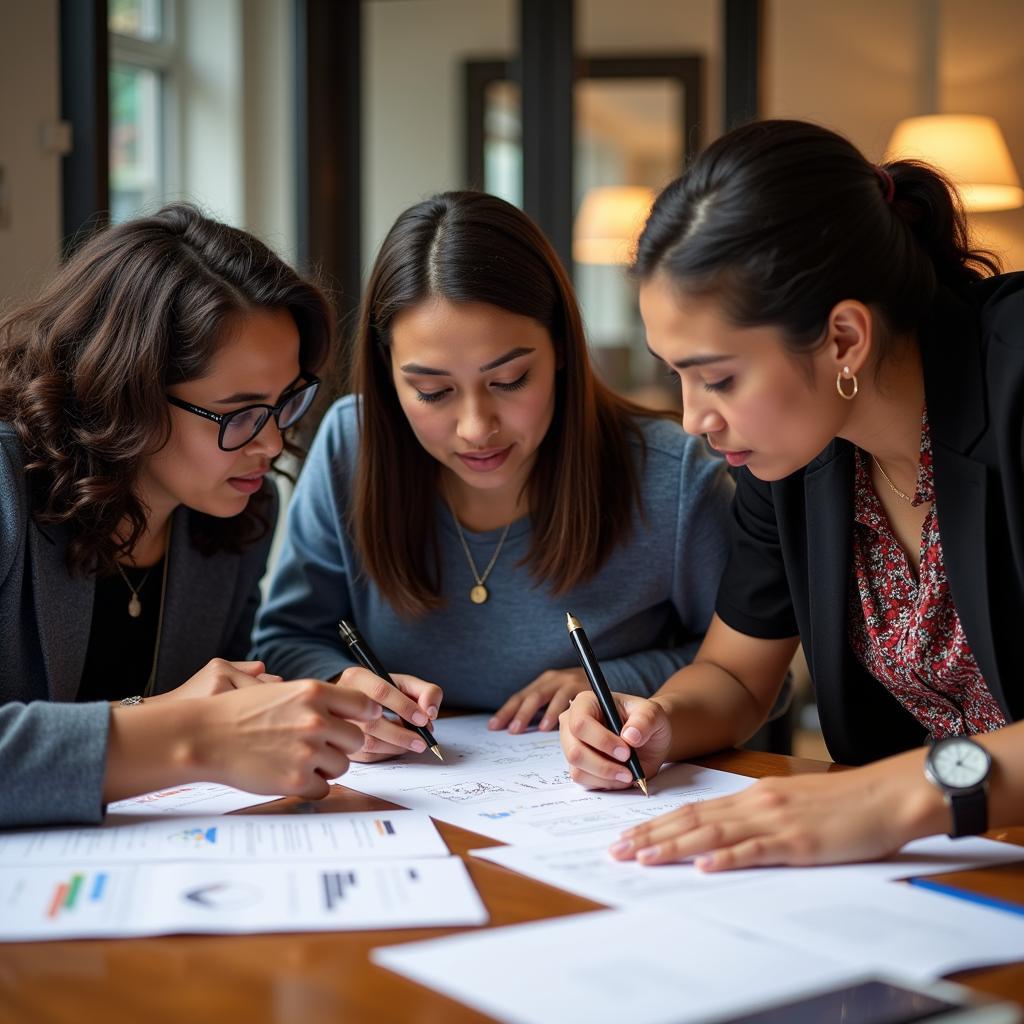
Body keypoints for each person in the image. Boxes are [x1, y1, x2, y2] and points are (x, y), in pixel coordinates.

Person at [560, 119, 1024, 870]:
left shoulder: (1016, 377)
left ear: (844, 338)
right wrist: (656, 725)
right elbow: (737, 674)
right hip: (960, 873)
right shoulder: (794, 452)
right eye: (677, 374)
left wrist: (885, 799)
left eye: (719, 378)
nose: (693, 418)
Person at [253, 191, 733, 760]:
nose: (476, 429)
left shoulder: (673, 476)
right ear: (388, 375)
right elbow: (284, 642)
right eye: (432, 392)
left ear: (559, 348)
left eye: (509, 381)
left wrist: (612, 679)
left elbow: (748, 673)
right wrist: (345, 688)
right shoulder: (350, 447)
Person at [0, 204, 380, 828]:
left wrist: (327, 700)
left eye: (285, 402)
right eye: (239, 411)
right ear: (127, 392)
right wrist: (189, 735)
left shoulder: (235, 510)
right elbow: (199, 720)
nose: (272, 444)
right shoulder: (7, 490)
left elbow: (228, 683)